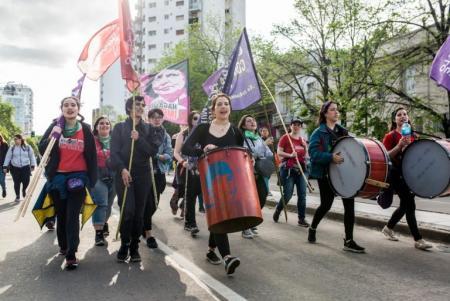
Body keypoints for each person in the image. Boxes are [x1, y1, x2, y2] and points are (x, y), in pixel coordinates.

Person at [182, 93, 243, 276]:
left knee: (221, 215)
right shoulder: (203, 128)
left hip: (229, 181)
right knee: (219, 215)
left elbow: (241, 153)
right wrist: (202, 149)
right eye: (219, 104)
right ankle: (227, 257)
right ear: (213, 109)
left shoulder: (235, 131)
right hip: (208, 178)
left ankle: (210, 250)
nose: (223, 107)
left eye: (226, 104)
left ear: (230, 109)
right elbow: (185, 148)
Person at [39, 96, 97, 269]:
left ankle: (71, 253)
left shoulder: (86, 129)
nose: (70, 108)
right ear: (61, 108)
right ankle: (63, 247)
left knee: (72, 216)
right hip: (57, 179)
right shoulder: (55, 125)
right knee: (62, 215)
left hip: (78, 178)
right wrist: (53, 136)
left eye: (73, 105)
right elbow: (42, 147)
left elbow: (92, 155)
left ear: (78, 109)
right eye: (66, 105)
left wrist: (92, 179)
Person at [110, 96, 164, 263]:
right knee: (128, 211)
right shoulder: (119, 128)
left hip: (143, 175)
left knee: (139, 213)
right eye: (136, 104)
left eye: (142, 105)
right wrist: (122, 169)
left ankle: (134, 246)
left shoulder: (149, 129)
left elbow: (152, 152)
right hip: (124, 174)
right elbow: (114, 153)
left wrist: (139, 139)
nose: (140, 107)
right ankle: (124, 244)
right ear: (128, 108)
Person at [308, 101, 365, 253]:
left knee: (349, 205)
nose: (336, 112)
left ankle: (349, 240)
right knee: (326, 204)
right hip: (326, 174)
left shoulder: (343, 132)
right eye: (332, 110)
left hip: (344, 174)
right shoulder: (318, 133)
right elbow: (313, 154)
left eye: (337, 110)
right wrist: (330, 157)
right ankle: (312, 228)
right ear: (325, 113)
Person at [380, 107, 432, 250]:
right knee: (410, 205)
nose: (402, 116)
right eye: (399, 115)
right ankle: (418, 239)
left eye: (405, 114)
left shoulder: (414, 135)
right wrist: (399, 146)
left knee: (405, 205)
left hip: (411, 175)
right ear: (394, 119)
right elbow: (386, 157)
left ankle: (388, 228)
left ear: (408, 118)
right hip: (396, 174)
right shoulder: (390, 136)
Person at [238, 114, 273, 238]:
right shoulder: (243, 138)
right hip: (249, 173)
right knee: (249, 201)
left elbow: (268, 154)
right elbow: (250, 154)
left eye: (253, 120)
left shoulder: (258, 137)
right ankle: (245, 227)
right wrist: (264, 145)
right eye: (248, 121)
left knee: (262, 198)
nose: (252, 122)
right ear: (243, 125)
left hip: (261, 172)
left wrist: (268, 150)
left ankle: (252, 221)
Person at [143, 108, 173, 249]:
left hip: (159, 173)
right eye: (153, 117)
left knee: (154, 203)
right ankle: (148, 234)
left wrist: (156, 155)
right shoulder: (144, 132)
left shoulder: (165, 135)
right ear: (149, 119)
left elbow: (168, 155)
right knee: (148, 203)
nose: (156, 119)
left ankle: (143, 224)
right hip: (145, 173)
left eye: (159, 117)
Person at [272, 118, 310, 227]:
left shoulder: (302, 140)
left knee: (302, 195)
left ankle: (301, 219)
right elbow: (279, 152)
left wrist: (305, 149)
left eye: (298, 125)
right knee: (288, 194)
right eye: (294, 124)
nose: (296, 126)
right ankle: (278, 210)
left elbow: (305, 155)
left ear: (300, 127)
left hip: (301, 170)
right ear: (290, 126)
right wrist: (290, 155)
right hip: (288, 170)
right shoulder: (285, 138)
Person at [174, 111, 202, 235]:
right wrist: (182, 162)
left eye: (200, 119)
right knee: (191, 196)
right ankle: (190, 224)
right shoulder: (183, 134)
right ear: (190, 120)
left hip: (202, 169)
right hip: (187, 168)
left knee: (198, 194)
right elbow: (176, 152)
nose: (198, 121)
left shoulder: (204, 134)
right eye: (195, 118)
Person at [91, 116, 116, 246]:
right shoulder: (91, 140)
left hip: (114, 175)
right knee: (101, 203)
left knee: (109, 204)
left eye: (107, 123)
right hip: (97, 175)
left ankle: (104, 222)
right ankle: (98, 234)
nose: (104, 125)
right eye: (101, 123)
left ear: (110, 127)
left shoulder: (116, 141)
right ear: (96, 127)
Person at [3, 134, 37, 202]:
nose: (15, 140)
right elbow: (8, 157)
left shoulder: (27, 147)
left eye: (16, 139)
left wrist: (33, 165)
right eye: (14, 139)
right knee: (16, 182)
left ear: (21, 139)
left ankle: (24, 189)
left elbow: (32, 156)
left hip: (25, 167)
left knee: (26, 181)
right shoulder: (12, 148)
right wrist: (5, 166)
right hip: (15, 168)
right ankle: (17, 196)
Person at [0, 134, 9, 198]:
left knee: (2, 180)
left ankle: (4, 189)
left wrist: (6, 166)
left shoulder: (5, 145)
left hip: (3, 166)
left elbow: (8, 156)